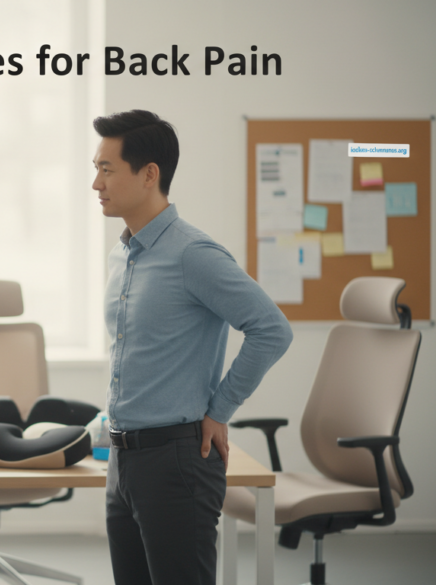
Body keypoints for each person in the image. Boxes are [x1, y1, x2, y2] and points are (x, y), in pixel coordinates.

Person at [92, 110, 293, 584]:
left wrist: (220, 410)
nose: (96, 183)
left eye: (106, 169)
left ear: (149, 175)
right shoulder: (122, 254)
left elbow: (272, 329)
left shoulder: (193, 254)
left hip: (175, 460)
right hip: (123, 460)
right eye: (94, 168)